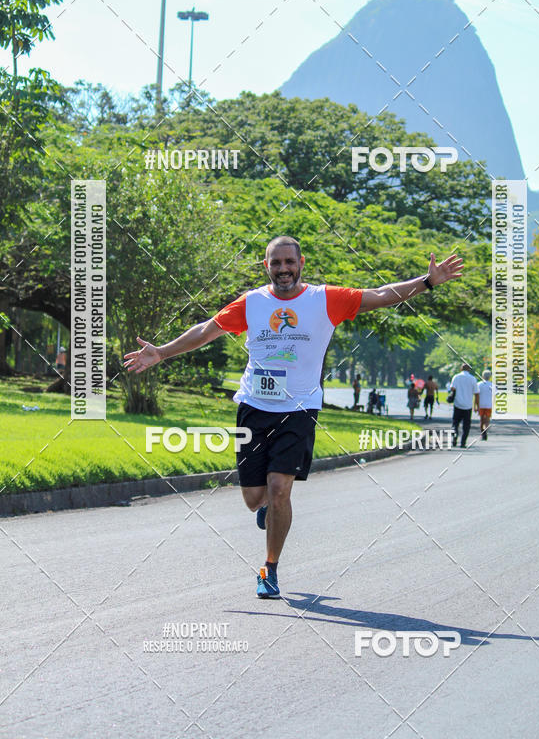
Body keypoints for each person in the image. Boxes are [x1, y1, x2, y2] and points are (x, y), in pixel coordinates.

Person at [124, 236, 463, 598]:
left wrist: (426, 283)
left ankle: (269, 569)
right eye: (276, 263)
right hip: (254, 407)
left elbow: (379, 295)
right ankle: (266, 508)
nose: (283, 269)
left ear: (301, 262)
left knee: (280, 488)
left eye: (289, 262)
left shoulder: (325, 299)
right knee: (255, 498)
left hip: (300, 409)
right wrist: (161, 352)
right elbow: (207, 331)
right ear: (265, 266)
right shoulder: (252, 303)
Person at [449, 363, 479, 447]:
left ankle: (454, 437)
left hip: (458, 404)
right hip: (468, 405)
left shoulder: (456, 377)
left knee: (455, 423)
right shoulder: (473, 379)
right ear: (469, 369)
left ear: (461, 369)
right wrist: (476, 406)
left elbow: (452, 388)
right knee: (466, 425)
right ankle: (463, 442)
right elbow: (476, 393)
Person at [477, 370, 495, 440]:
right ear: (490, 377)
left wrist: (476, 405)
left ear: (482, 376)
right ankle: (485, 431)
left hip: (481, 404)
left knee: (481, 420)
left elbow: (476, 395)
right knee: (487, 420)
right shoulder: (492, 385)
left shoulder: (479, 384)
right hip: (489, 405)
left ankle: (482, 432)